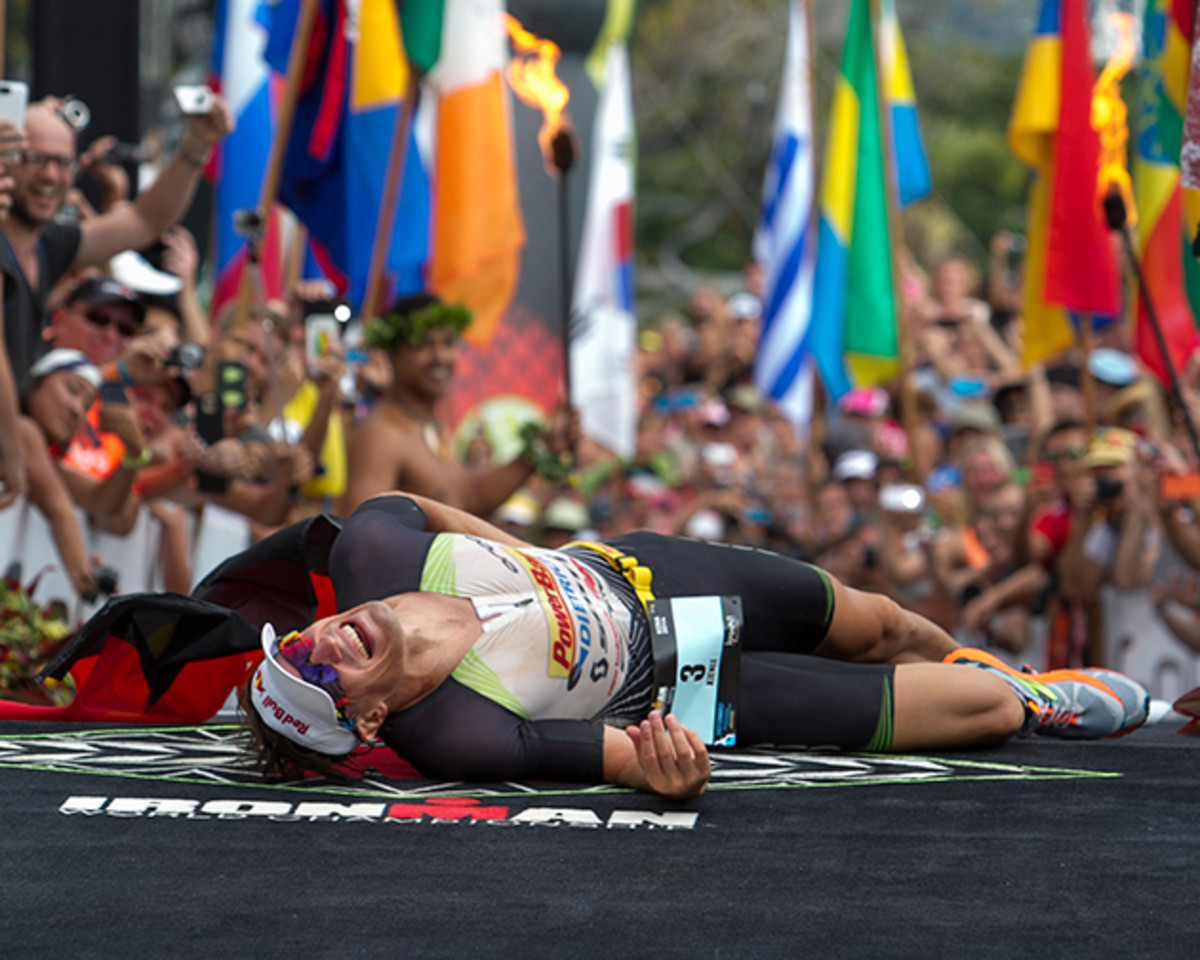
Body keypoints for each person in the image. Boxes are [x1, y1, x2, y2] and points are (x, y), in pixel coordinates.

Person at [241, 492, 1150, 799]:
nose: (324, 640)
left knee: (882, 624)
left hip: (645, 573)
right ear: (365, 718)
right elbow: (625, 760)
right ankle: (1032, 696)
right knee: (986, 714)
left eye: (298, 645)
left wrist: (534, 560)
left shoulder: (371, 545)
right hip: (684, 685)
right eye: (320, 674)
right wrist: (667, 773)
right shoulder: (455, 734)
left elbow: (440, 514)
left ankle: (990, 661)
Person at [340, 293, 576, 516]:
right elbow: (360, 537)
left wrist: (543, 444)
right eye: (424, 344)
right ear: (392, 354)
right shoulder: (381, 435)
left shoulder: (433, 428)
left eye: (448, 343)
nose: (440, 356)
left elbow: (471, 498)